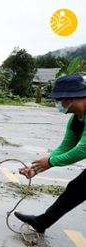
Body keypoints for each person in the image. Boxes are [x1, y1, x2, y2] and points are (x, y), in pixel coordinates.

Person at [15, 73, 86, 234]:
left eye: (58, 100)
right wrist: (37, 168)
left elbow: (83, 150)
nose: (57, 104)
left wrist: (51, 162)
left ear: (69, 98)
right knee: (76, 188)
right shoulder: (76, 119)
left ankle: (43, 222)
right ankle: (42, 222)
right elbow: (65, 147)